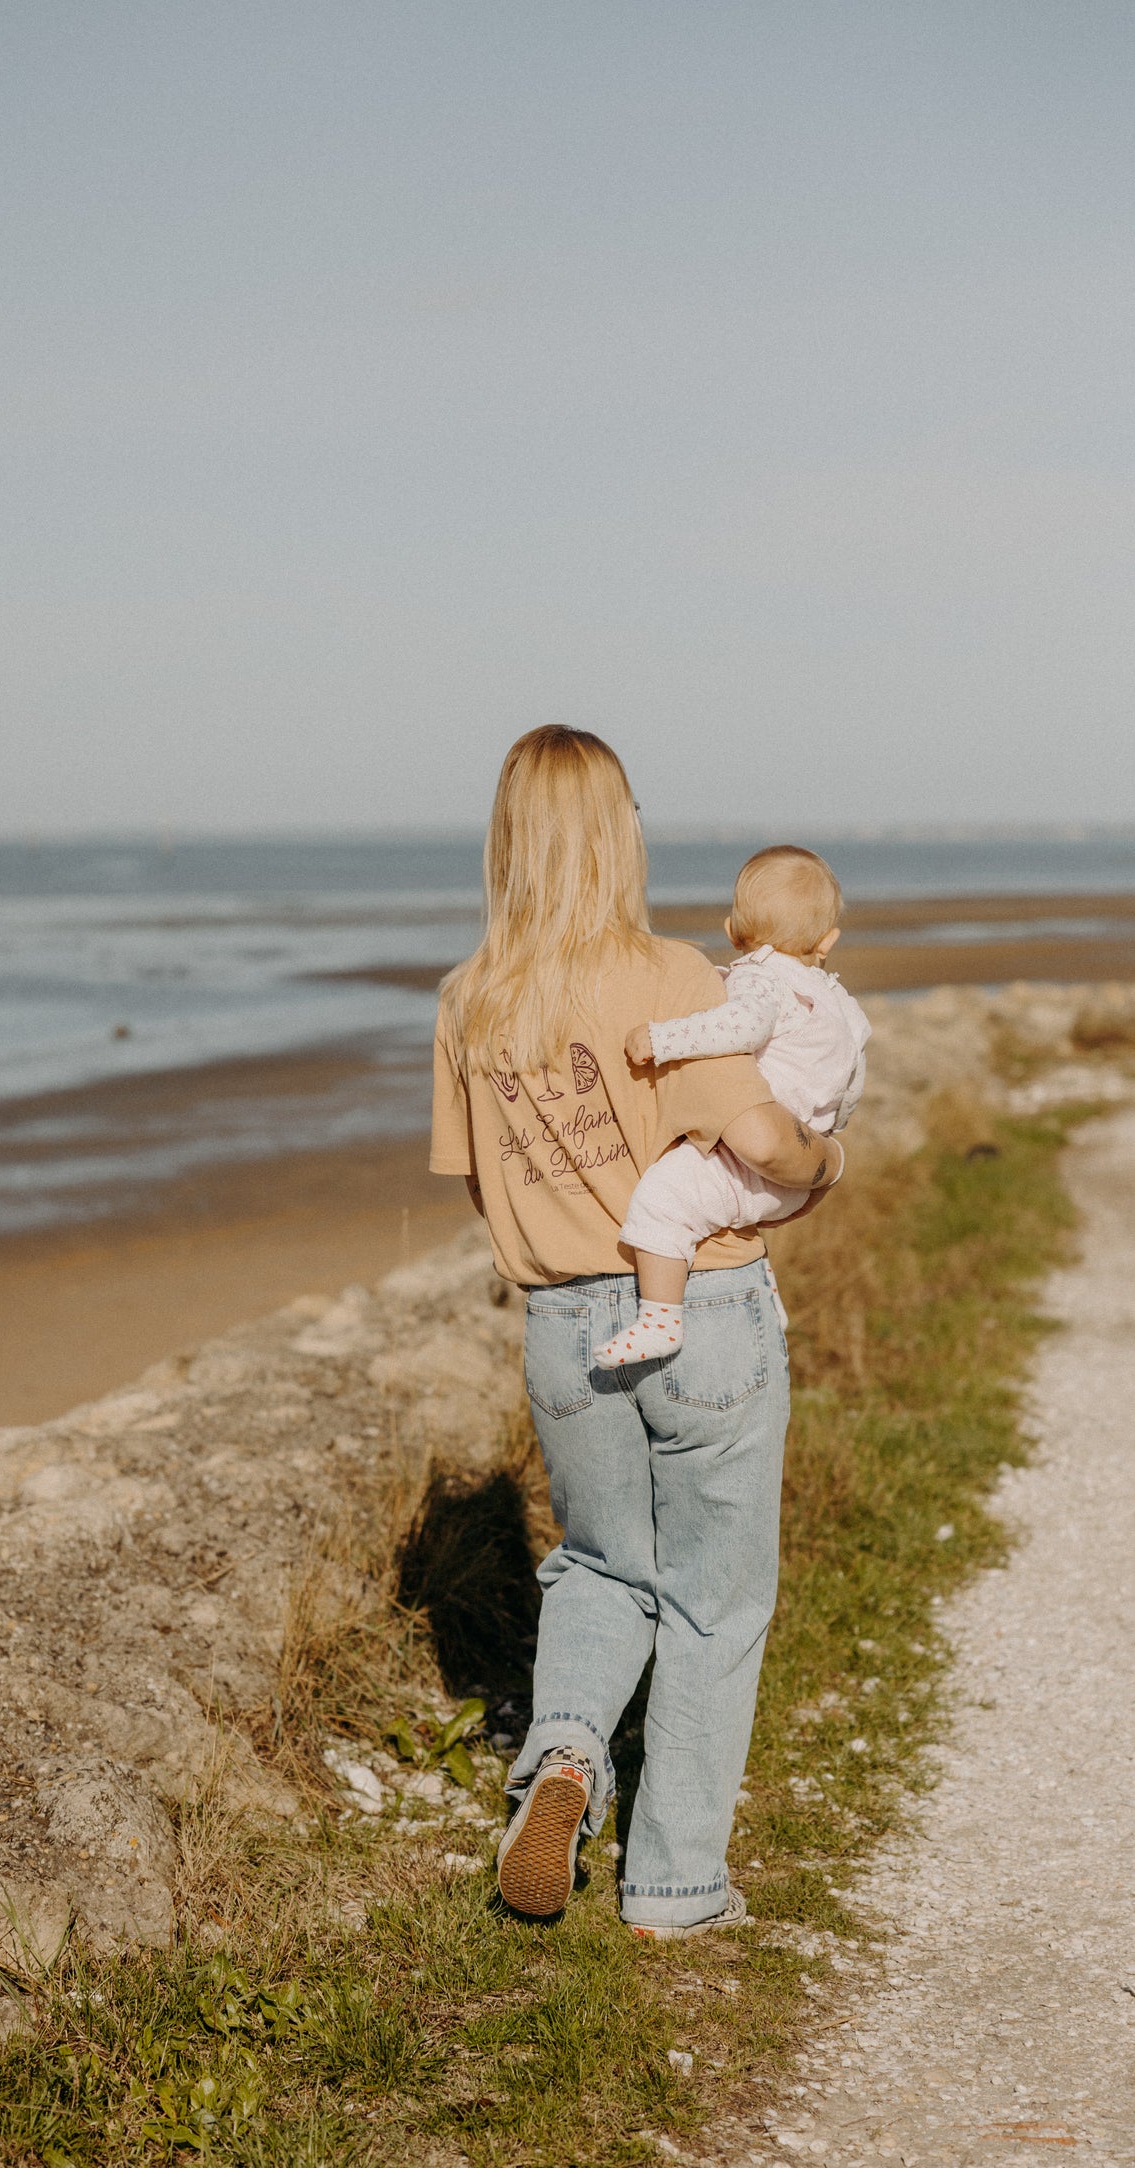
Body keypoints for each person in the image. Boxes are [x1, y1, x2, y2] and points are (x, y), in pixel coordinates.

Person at [429, 727, 841, 1939]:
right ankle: (670, 1885)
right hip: (700, 1309)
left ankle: (562, 1759)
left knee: (601, 1563)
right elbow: (762, 1140)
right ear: (619, 835)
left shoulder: (470, 996)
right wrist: (822, 1161)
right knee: (714, 1598)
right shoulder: (672, 977)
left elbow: (475, 1185)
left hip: (560, 1321)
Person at [593, 845, 870, 1369]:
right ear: (828, 939)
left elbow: (741, 1026)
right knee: (724, 1221)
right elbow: (853, 1080)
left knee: (662, 1199)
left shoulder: (761, 978)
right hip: (796, 1167)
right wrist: (826, 1143)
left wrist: (661, 1037)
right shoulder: (841, 1004)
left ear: (730, 929)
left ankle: (660, 1318)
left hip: (750, 1160)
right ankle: (762, 1291)